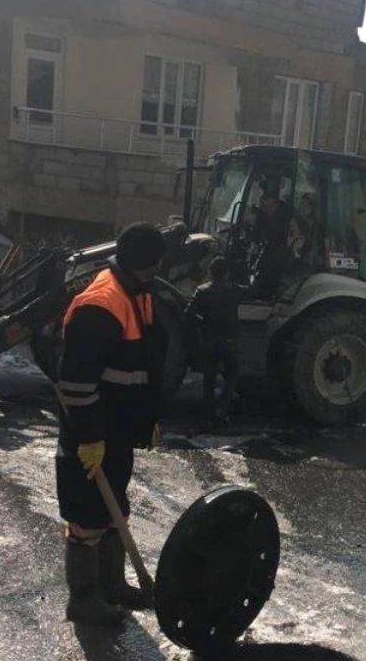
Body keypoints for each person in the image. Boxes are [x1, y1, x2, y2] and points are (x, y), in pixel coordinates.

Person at [55, 222, 168, 627]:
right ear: (144, 263)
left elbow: (142, 365)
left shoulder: (136, 293)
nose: (157, 273)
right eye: (154, 266)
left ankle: (113, 585)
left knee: (114, 508)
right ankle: (83, 602)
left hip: (116, 433)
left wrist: (146, 419)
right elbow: (75, 385)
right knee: (87, 518)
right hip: (91, 437)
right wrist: (89, 439)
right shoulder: (100, 306)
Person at [187, 256, 241, 426]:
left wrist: (201, 324)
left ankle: (208, 415)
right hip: (229, 341)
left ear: (210, 272)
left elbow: (189, 314)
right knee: (231, 375)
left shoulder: (202, 291)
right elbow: (254, 290)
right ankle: (222, 411)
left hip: (208, 340)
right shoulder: (235, 289)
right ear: (227, 273)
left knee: (209, 378)